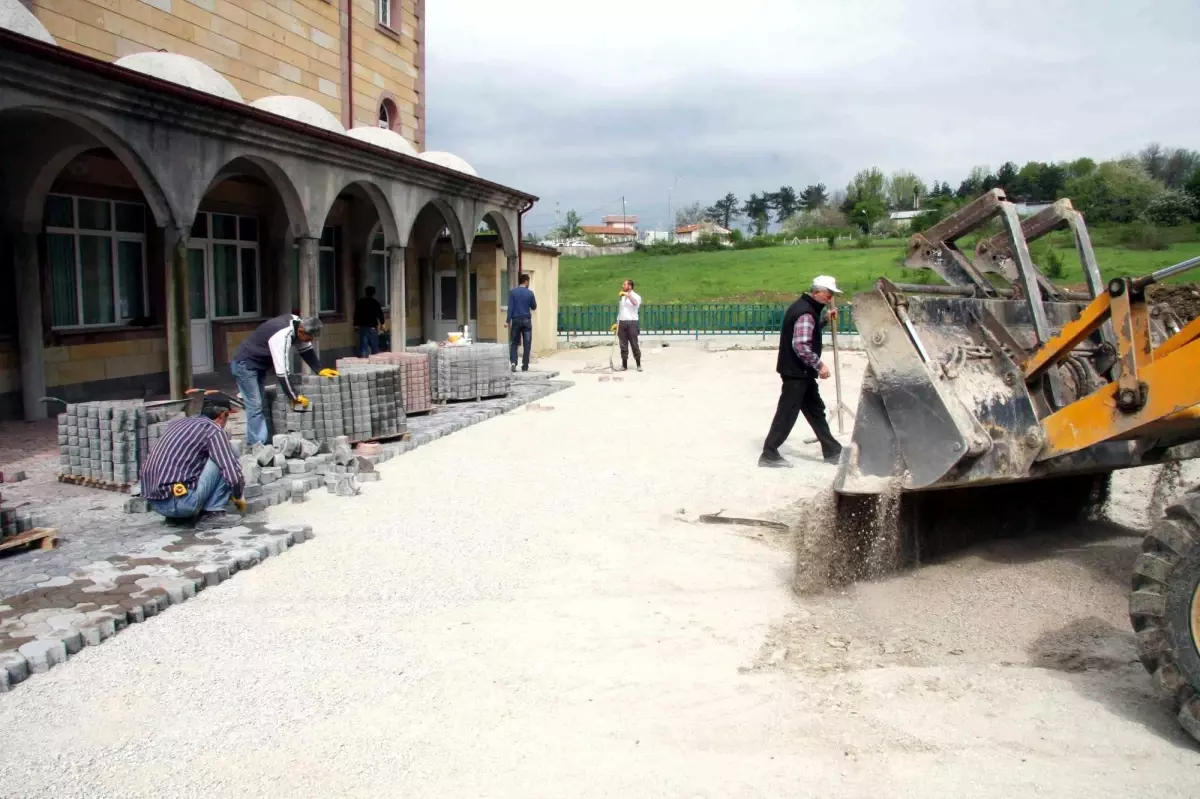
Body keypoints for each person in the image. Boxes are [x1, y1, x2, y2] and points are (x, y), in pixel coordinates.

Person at [759, 275, 844, 468]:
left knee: (816, 410)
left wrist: (822, 320)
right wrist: (819, 365)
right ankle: (769, 453)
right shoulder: (806, 312)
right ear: (817, 292)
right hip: (797, 372)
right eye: (828, 293)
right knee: (787, 413)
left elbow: (807, 331)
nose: (830, 298)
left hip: (799, 372)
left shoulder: (805, 309)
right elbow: (801, 345)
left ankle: (832, 450)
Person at [230, 314, 338, 448]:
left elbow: (306, 349)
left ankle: (260, 439)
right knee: (255, 405)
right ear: (301, 332)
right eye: (309, 337)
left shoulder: (298, 324)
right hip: (245, 366)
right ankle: (257, 445)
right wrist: (293, 396)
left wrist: (319, 369)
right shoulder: (282, 336)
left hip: (258, 366)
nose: (310, 340)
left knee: (261, 403)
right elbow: (282, 371)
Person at [140, 396, 246, 530]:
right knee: (228, 452)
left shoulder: (180, 423)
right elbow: (231, 473)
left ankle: (177, 518)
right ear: (222, 415)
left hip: (156, 503)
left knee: (202, 458)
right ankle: (212, 514)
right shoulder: (213, 430)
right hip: (181, 503)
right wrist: (238, 496)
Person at [504, 272, 537, 372]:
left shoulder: (513, 292)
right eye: (529, 282)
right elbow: (534, 307)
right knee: (527, 344)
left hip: (516, 320)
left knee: (514, 342)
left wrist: (507, 321)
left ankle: (513, 362)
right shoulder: (530, 293)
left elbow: (510, 308)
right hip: (527, 321)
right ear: (526, 281)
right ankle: (525, 365)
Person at [617, 279, 642, 372]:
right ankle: (624, 365)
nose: (622, 286)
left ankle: (638, 364)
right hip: (622, 322)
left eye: (624, 284)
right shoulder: (622, 298)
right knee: (623, 345)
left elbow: (635, 303)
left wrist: (628, 295)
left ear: (630, 286)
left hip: (632, 322)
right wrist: (617, 322)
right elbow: (621, 310)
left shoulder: (636, 296)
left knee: (634, 344)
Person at [354, 286, 385, 357]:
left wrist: (355, 325)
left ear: (365, 292)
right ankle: (376, 363)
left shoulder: (360, 302)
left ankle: (363, 363)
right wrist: (382, 324)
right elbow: (380, 314)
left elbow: (356, 314)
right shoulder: (375, 303)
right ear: (374, 293)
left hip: (362, 327)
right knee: (375, 348)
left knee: (363, 348)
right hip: (372, 328)